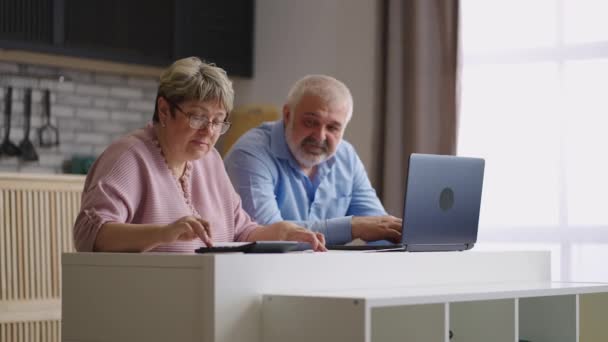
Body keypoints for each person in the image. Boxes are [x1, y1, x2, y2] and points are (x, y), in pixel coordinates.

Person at [73, 57, 326, 252]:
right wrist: (163, 233)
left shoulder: (210, 160)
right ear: (164, 110)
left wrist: (278, 232)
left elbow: (240, 231)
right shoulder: (128, 158)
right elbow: (89, 234)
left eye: (218, 121)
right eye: (197, 117)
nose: (209, 131)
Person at [224, 75, 402, 245]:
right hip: (264, 271)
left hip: (325, 272)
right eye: (310, 122)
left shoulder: (345, 156)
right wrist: (351, 227)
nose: (320, 136)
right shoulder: (250, 154)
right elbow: (267, 233)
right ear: (287, 115)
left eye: (333, 127)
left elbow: (379, 228)